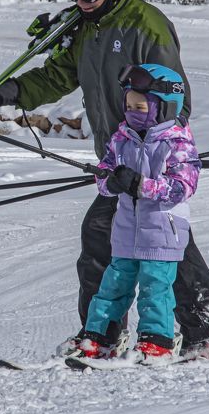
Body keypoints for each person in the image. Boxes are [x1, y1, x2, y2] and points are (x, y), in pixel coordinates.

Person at [0, 0, 209, 361]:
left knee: (136, 241)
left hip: (147, 161)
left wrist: (151, 157)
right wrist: (3, 94)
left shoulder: (147, 26)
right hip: (118, 161)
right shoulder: (87, 29)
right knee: (147, 243)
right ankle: (157, 333)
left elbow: (177, 100)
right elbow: (57, 78)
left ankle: (122, 336)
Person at [78, 63, 200, 365]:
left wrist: (141, 185)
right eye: (129, 105)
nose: (132, 111)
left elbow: (182, 186)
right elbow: (104, 177)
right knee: (113, 284)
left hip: (162, 230)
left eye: (140, 105)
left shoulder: (177, 141)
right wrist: (111, 179)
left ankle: (157, 341)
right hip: (126, 229)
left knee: (154, 287)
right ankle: (100, 338)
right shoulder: (123, 137)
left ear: (163, 106)